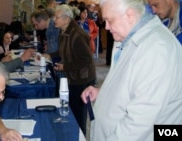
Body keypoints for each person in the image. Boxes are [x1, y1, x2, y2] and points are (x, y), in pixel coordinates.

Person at [81, 0, 182, 141]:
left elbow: (139, 123)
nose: (107, 27)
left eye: (109, 21)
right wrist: (102, 93)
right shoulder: (132, 39)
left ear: (129, 15)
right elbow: (130, 83)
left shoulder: (157, 49)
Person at [52, 4, 96, 136]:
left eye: (57, 17)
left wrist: (65, 67)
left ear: (67, 19)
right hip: (73, 77)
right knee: (71, 111)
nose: (54, 19)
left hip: (82, 79)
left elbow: (86, 59)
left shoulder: (76, 35)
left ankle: (80, 136)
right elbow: (62, 51)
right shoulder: (63, 31)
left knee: (78, 114)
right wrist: (50, 55)